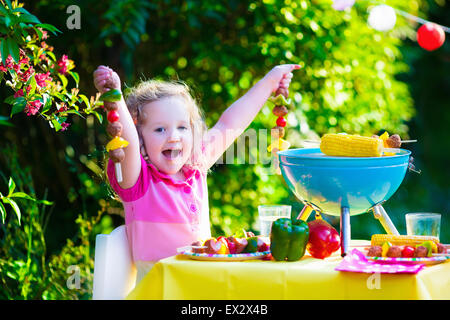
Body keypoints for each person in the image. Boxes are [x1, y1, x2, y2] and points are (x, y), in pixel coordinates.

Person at [93, 64, 300, 283]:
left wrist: (270, 81)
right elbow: (129, 143)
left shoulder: (195, 166)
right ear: (140, 138)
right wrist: (114, 98)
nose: (174, 137)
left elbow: (230, 123)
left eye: (182, 127)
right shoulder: (139, 181)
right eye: (160, 129)